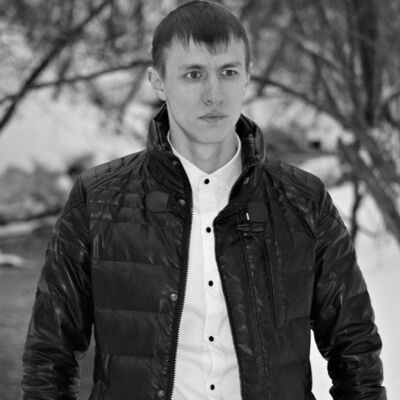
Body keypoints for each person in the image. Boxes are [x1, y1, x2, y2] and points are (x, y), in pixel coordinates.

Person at [21, 1, 386, 400]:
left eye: (228, 72)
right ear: (158, 82)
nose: (214, 94)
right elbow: (49, 357)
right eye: (193, 74)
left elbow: (355, 350)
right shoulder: (98, 199)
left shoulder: (303, 200)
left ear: (247, 77)